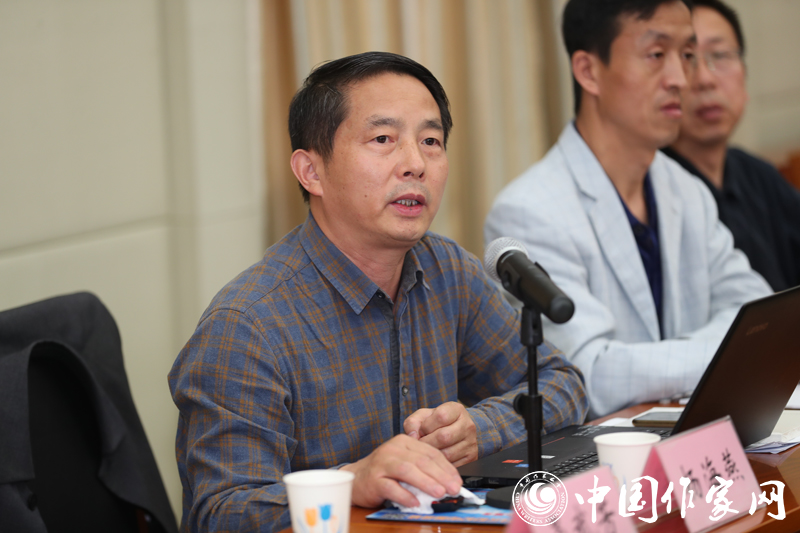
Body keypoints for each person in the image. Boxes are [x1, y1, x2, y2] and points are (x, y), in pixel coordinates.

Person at [169, 51, 588, 532]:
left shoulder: (447, 271)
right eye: (383, 139)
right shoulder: (246, 328)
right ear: (311, 172)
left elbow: (563, 383)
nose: (415, 164)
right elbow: (220, 513)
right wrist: (348, 482)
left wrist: (481, 429)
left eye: (431, 141)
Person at [484, 0, 771, 418]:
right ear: (588, 71)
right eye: (656, 54)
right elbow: (587, 371)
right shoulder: (529, 210)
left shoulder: (686, 189)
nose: (680, 79)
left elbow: (757, 315)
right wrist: (724, 350)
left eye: (686, 55)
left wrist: (660, 363)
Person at [662, 0, 800, 292]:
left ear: (745, 75)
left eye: (720, 55)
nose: (705, 79)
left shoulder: (759, 175)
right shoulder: (655, 191)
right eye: (688, 58)